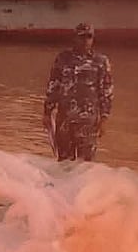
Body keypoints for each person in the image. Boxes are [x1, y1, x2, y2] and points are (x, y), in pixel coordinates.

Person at [43, 23, 113, 162]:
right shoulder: (63, 58)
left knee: (85, 166)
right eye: (82, 37)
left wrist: (104, 119)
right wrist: (47, 112)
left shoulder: (101, 62)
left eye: (89, 37)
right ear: (75, 38)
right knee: (63, 162)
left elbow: (106, 92)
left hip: (88, 122)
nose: (85, 40)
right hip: (65, 120)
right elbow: (54, 85)